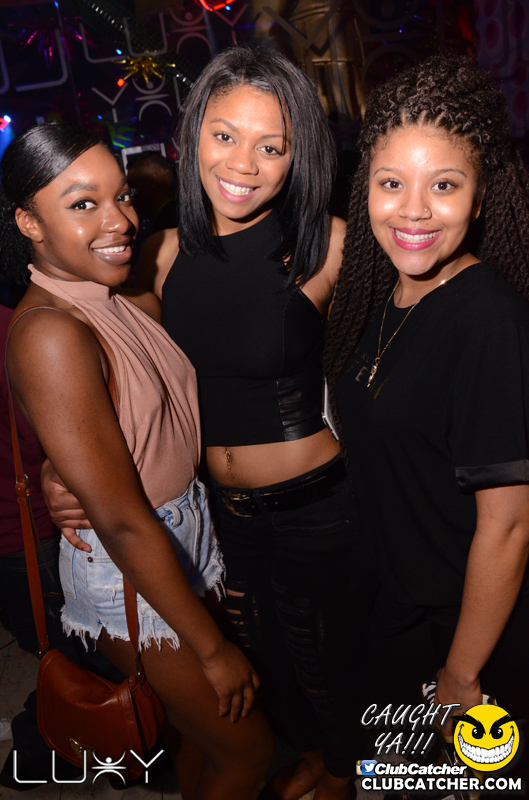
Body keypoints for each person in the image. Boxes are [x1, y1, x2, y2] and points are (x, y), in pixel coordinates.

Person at [49, 47, 366, 800]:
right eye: (224, 135)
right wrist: (62, 467)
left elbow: (392, 371)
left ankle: (344, 772)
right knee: (262, 666)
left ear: (298, 155)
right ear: (192, 135)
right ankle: (311, 758)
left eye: (270, 146)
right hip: (216, 516)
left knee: (334, 659)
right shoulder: (160, 253)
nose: (243, 164)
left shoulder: (331, 245)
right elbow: (112, 370)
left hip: (319, 508)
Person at [3, 121, 273, 800]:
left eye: (121, 195)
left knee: (198, 743)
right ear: (29, 223)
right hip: (134, 568)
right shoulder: (50, 332)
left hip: (179, 533)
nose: (119, 219)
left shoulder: (115, 294)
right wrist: (213, 650)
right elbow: (122, 521)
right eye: (82, 203)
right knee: (248, 754)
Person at [325, 54, 529, 785]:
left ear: (481, 195)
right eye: (391, 183)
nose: (412, 210)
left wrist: (461, 675)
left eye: (443, 185)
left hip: (467, 632)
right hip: (395, 614)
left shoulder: (487, 320)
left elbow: (508, 523)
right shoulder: (384, 295)